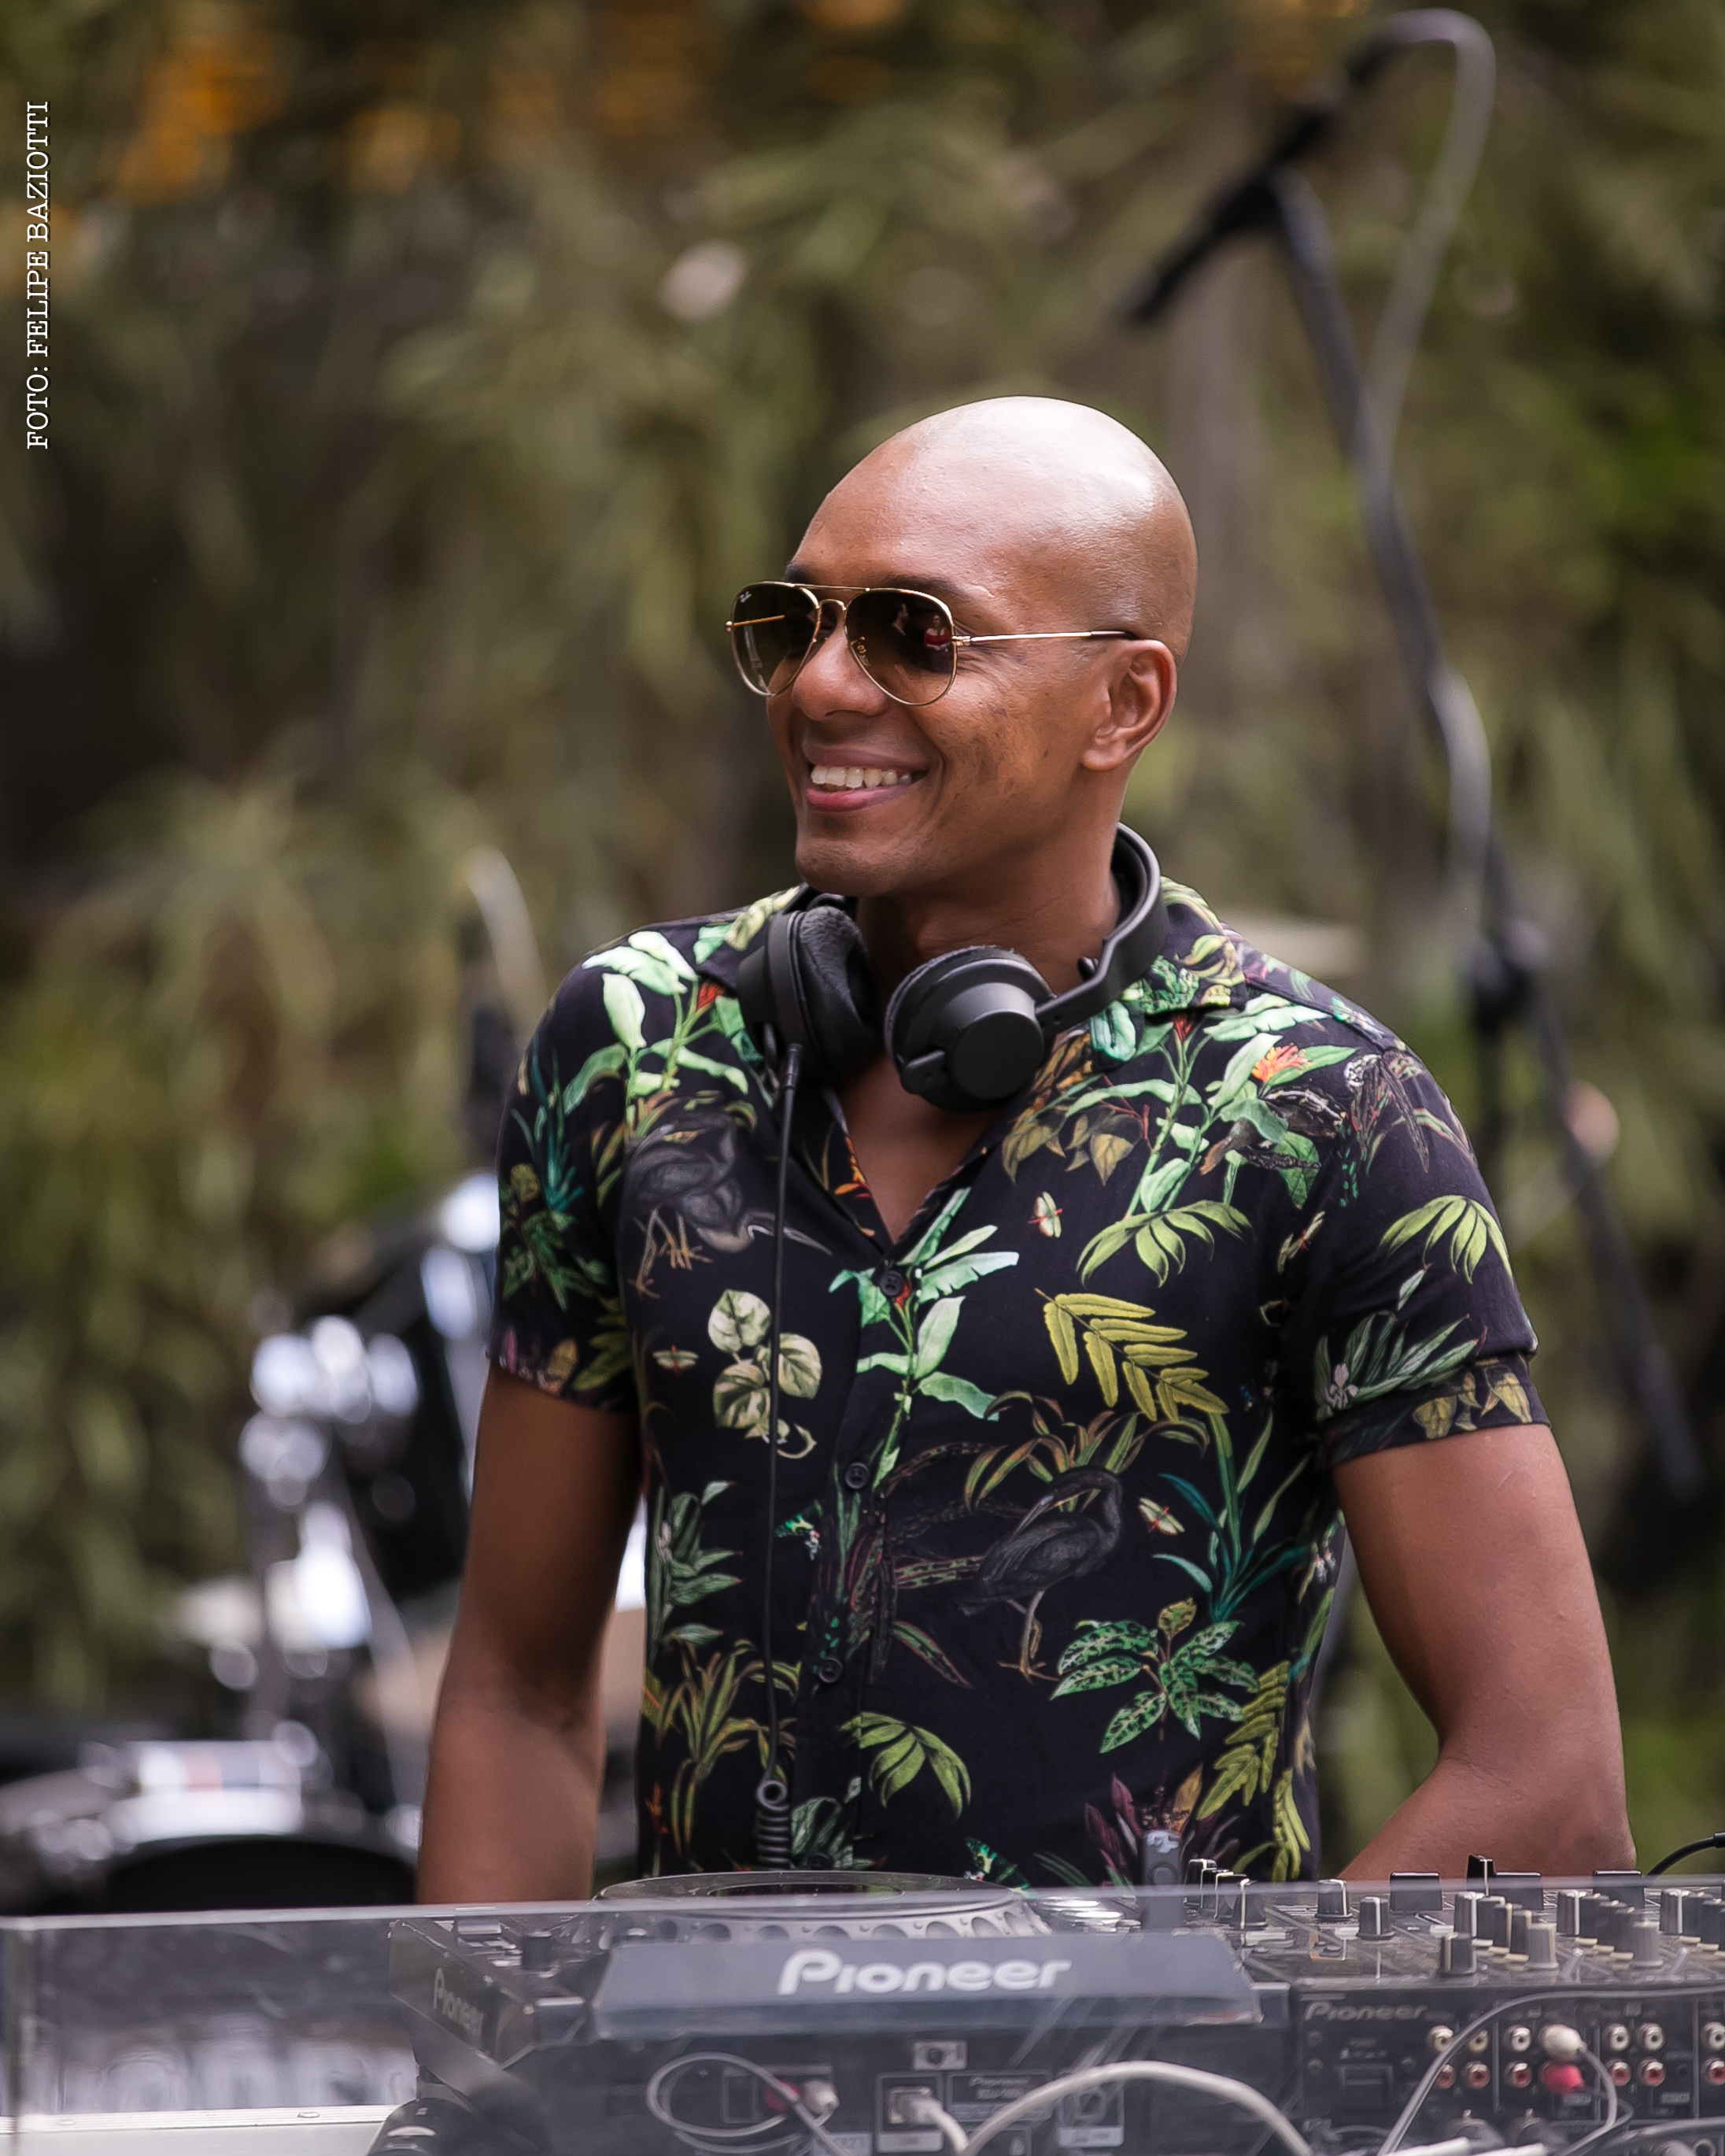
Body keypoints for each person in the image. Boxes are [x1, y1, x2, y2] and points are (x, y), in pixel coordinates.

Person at [418, 396, 1633, 1900]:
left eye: (914, 634)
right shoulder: (632, 1045)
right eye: (795, 623)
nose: (822, 682)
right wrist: (494, 2042)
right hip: (701, 2059)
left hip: (1172, 2061)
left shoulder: (1322, 1111)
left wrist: (1230, 2016)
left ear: (1122, 703)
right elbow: (518, 1697)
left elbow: (1547, 1785)